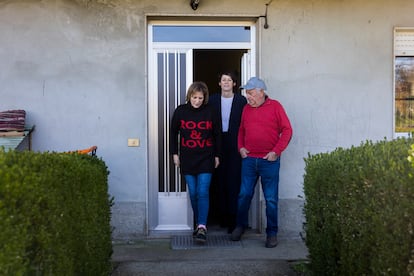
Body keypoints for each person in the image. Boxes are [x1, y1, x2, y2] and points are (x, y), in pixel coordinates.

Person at [230, 77, 293, 248]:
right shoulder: (246, 109)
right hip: (249, 160)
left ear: (261, 92)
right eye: (247, 94)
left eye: (250, 93)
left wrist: (276, 152)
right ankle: (240, 226)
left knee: (271, 199)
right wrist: (241, 148)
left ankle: (271, 233)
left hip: (269, 161)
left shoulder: (275, 107)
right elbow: (241, 130)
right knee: (244, 195)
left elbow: (287, 130)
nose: (248, 97)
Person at [170, 81, 222, 244]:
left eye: (200, 98)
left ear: (204, 97)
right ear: (189, 96)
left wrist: (217, 155)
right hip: (187, 158)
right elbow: (172, 133)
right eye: (194, 97)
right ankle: (199, 222)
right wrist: (174, 154)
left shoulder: (211, 111)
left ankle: (202, 226)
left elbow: (218, 134)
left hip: (206, 157)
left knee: (202, 191)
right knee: (193, 193)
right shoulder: (181, 111)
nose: (197, 101)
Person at [209, 72, 247, 233]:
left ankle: (233, 220)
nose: (226, 82)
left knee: (233, 182)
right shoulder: (212, 100)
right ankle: (220, 217)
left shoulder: (241, 100)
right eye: (223, 80)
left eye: (229, 80)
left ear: (234, 83)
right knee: (218, 181)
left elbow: (246, 123)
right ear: (219, 83)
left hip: (235, 144)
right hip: (216, 144)